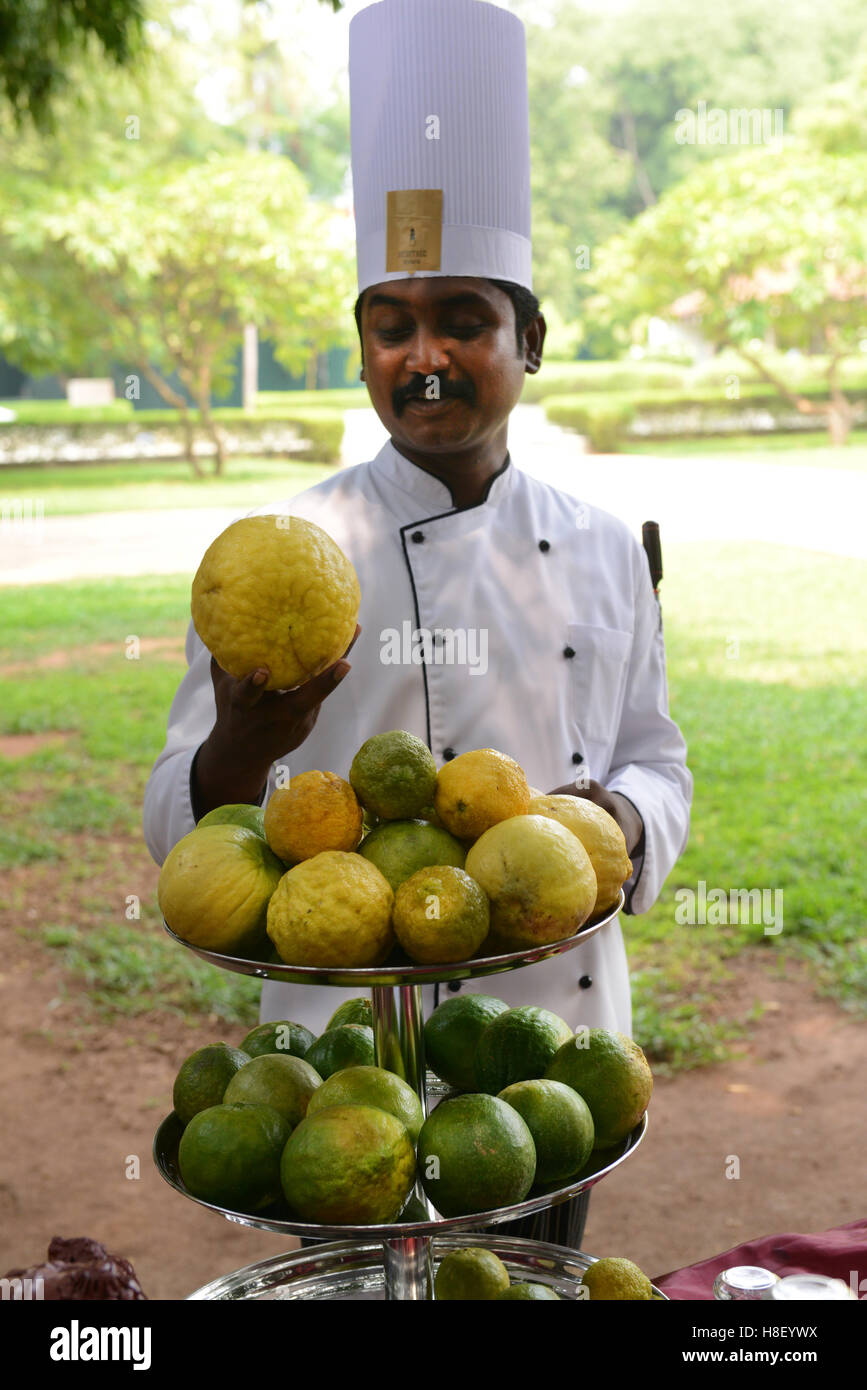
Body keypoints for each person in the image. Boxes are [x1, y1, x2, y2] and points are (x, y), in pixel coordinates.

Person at [142, 0, 692, 1250]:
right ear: (362, 350)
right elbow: (181, 821)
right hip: (337, 1073)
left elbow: (656, 757)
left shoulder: (608, 543)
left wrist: (612, 819)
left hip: (546, 1052)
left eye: (464, 320)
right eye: (393, 325)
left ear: (531, 339)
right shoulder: (280, 558)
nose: (426, 355)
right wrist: (238, 744)